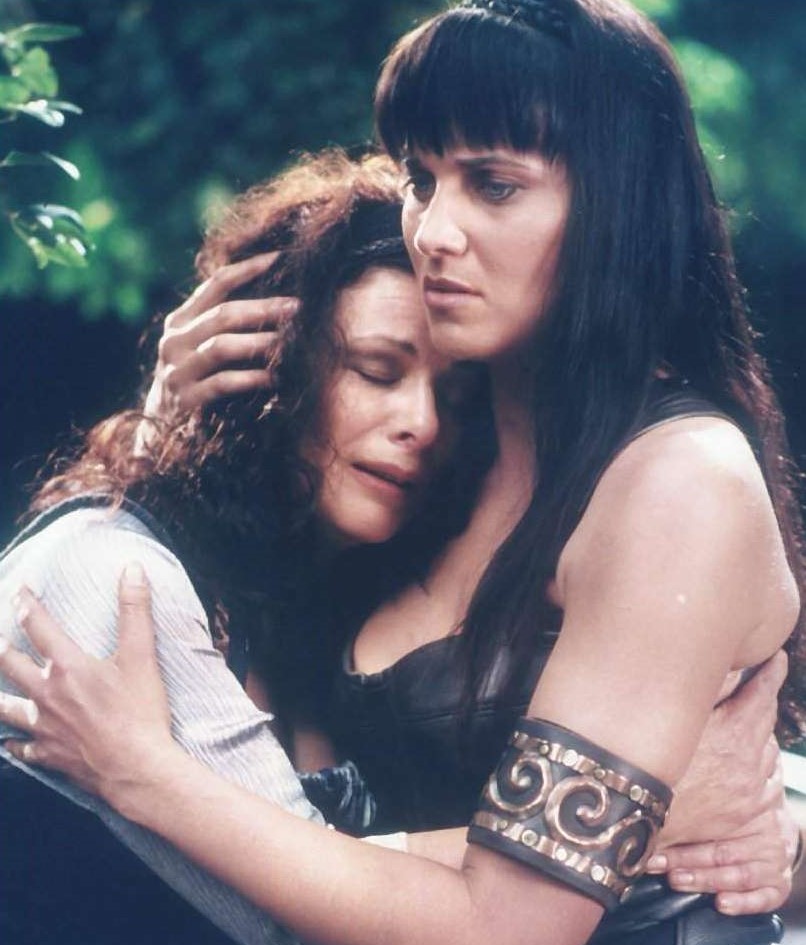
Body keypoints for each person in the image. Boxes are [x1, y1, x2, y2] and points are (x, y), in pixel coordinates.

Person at [0, 2, 803, 943]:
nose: (435, 232)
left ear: (619, 207)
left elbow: (513, 923)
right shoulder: (455, 457)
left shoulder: (677, 481)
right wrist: (174, 430)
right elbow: (308, 790)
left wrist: (148, 779)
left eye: (494, 186)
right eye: (422, 179)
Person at [0, 149, 493, 945]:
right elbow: (305, 916)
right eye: (377, 370)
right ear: (262, 366)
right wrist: (609, 835)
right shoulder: (112, 576)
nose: (424, 423)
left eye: (459, 399)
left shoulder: (319, 614)